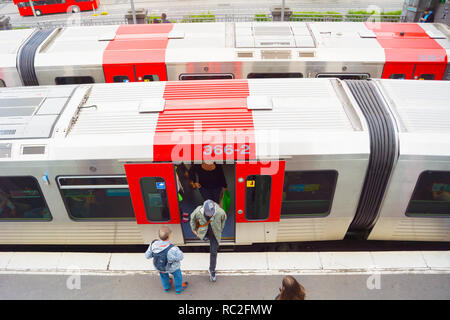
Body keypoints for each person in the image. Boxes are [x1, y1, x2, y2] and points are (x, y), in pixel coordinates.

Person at [190, 199, 227, 282]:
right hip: (204, 231)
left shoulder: (221, 212)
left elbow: (223, 221)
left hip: (215, 234)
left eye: (212, 213)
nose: (210, 215)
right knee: (203, 236)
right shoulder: (198, 211)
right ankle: (204, 237)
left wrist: (219, 230)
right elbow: (192, 219)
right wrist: (194, 230)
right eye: (208, 214)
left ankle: (212, 270)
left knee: (214, 252)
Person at [145, 226, 188, 294]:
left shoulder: (152, 244)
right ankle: (179, 289)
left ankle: (166, 287)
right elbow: (181, 257)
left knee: (163, 276)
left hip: (159, 267)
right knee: (177, 276)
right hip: (172, 268)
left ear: (159, 236)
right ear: (169, 236)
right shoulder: (173, 248)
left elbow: (147, 256)